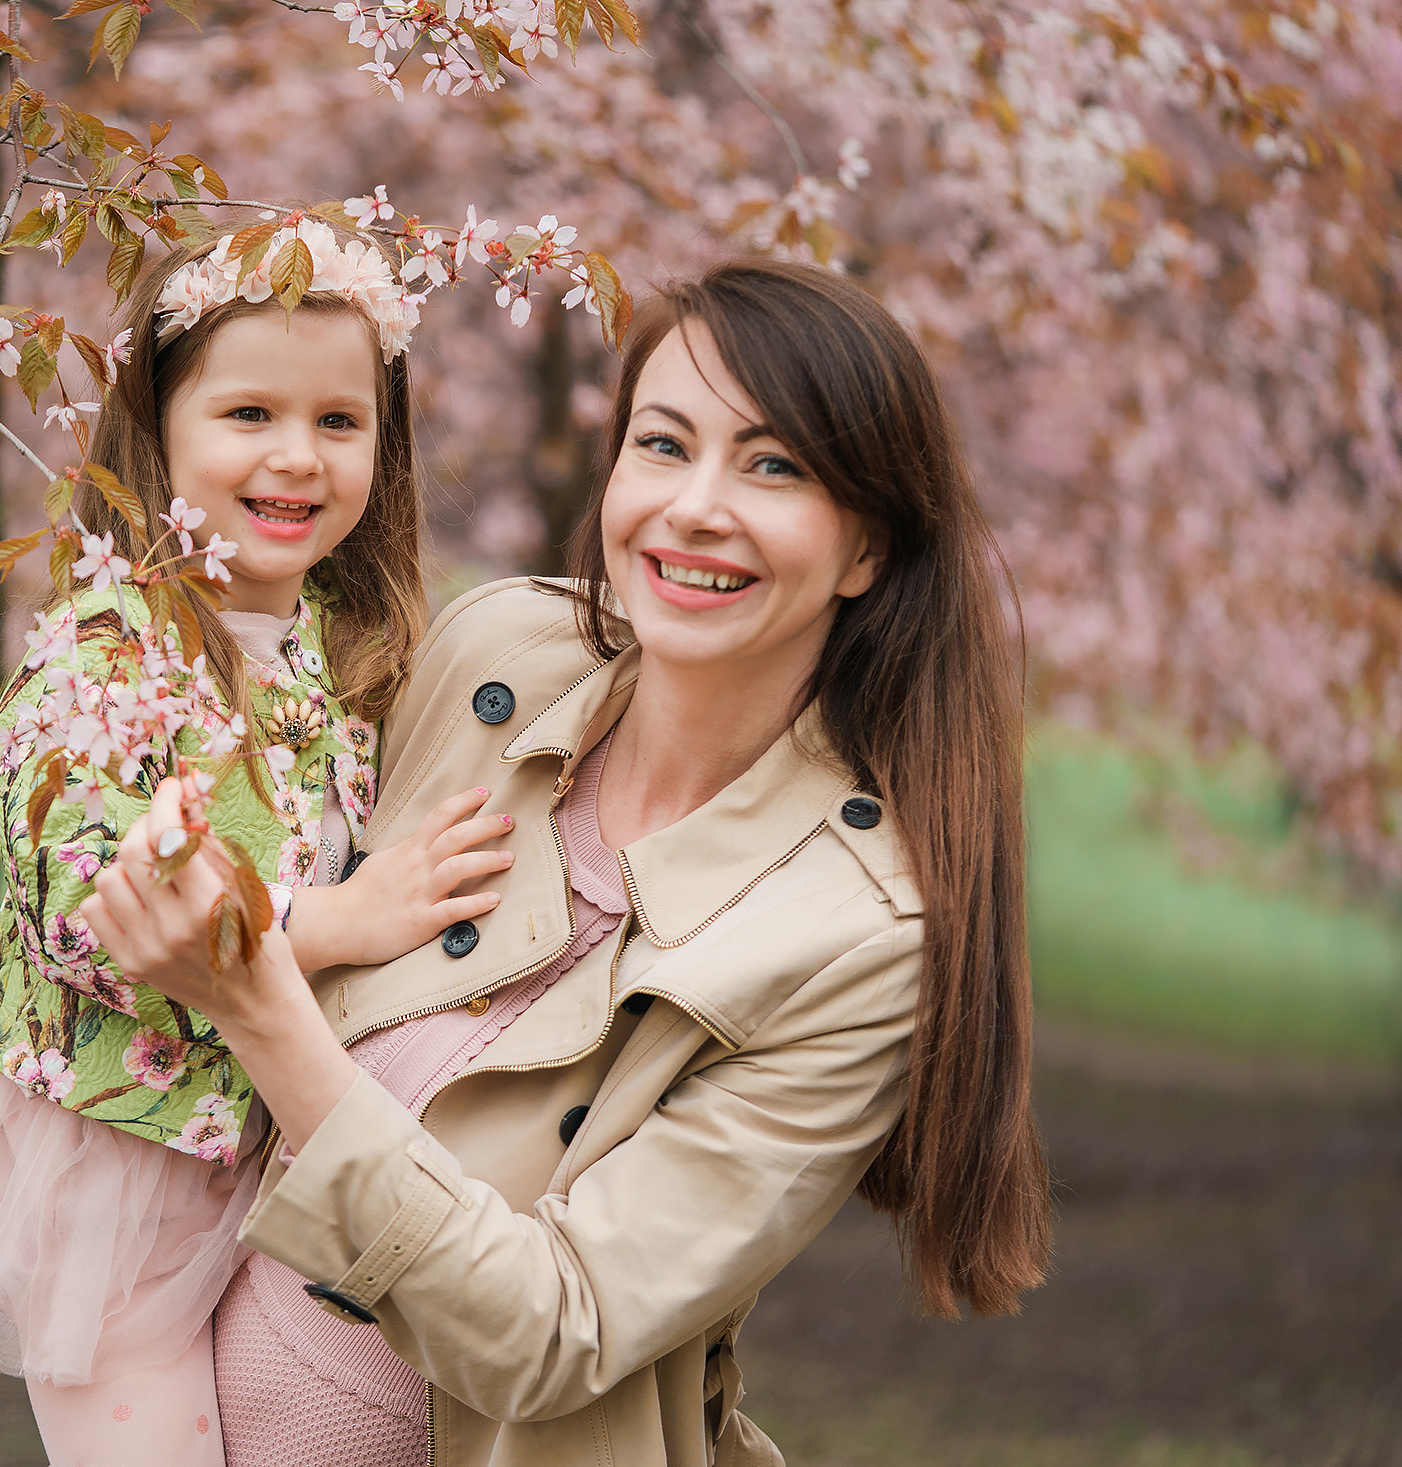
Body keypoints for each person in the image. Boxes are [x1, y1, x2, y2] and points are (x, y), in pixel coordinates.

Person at [83, 257, 1054, 1467]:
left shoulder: (854, 938)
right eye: (662, 444)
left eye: (774, 467)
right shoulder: (502, 658)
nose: (694, 507)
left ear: (865, 551)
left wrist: (261, 1006)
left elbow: (552, 1331)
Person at [0, 217, 513, 1467]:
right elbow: (88, 917)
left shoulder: (348, 645)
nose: (297, 456)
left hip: (264, 1141)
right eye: (248, 414)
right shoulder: (102, 657)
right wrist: (345, 920)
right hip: (107, 1169)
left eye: (339, 421)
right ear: (157, 427)